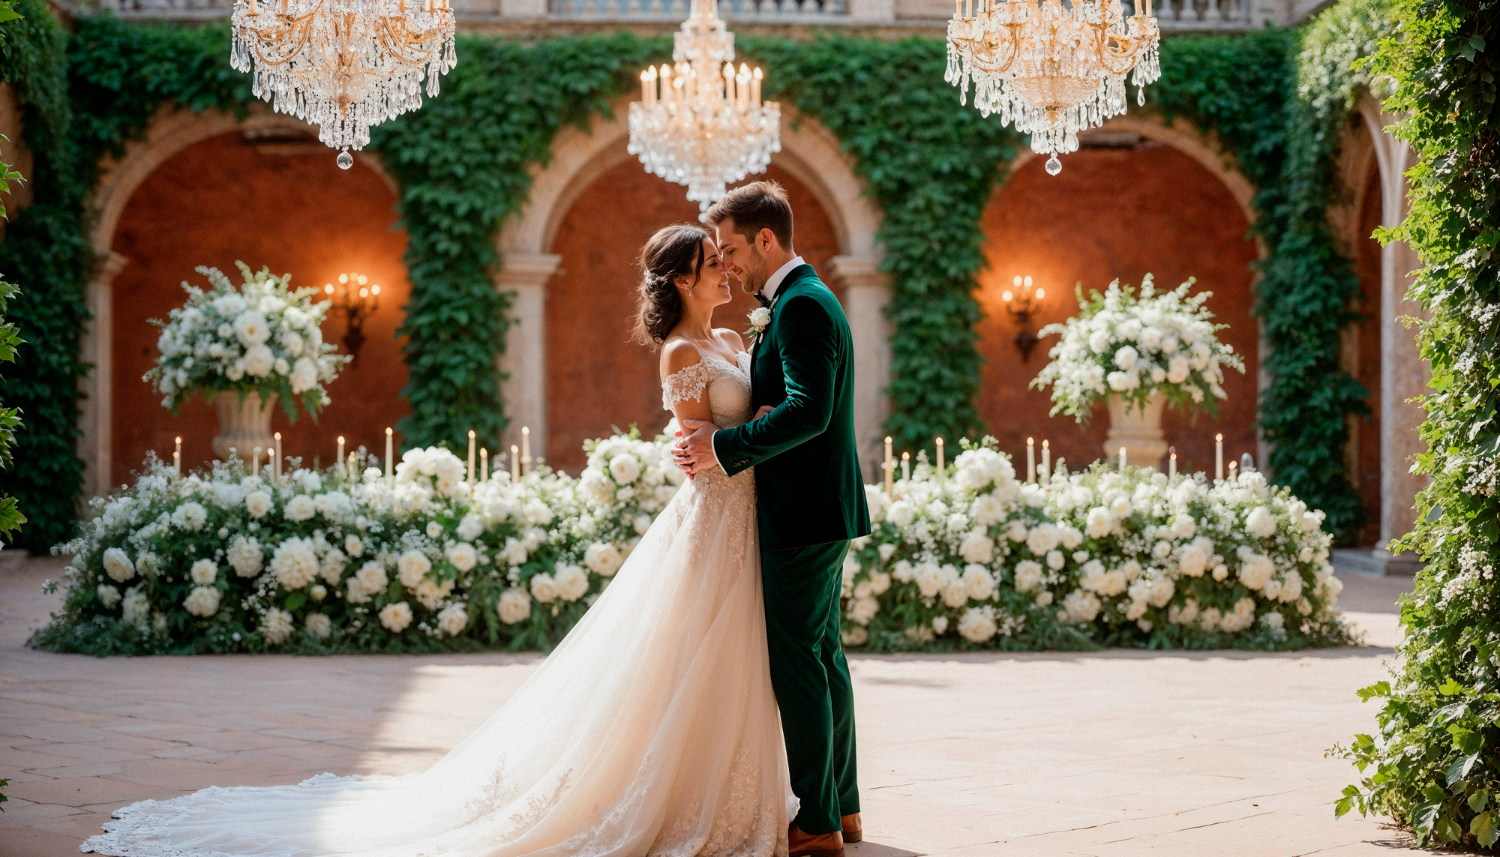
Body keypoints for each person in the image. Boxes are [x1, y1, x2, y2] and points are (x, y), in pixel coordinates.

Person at [83, 223, 796, 857]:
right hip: (711, 514)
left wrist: (756, 423)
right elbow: (697, 444)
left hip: (746, 510)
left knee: (733, 650)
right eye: (711, 261)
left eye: (722, 259)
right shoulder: (679, 352)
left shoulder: (735, 338)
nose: (725, 270)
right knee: (695, 651)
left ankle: (726, 788)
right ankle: (678, 797)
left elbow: (733, 426)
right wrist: (742, 432)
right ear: (680, 279)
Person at [675, 181, 871, 857]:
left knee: (800, 664)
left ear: (766, 239)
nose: (726, 263)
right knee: (823, 657)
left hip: (802, 508)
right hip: (818, 504)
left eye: (730, 248)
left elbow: (810, 411)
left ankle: (817, 820)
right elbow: (795, 403)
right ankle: (840, 808)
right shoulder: (798, 302)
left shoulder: (800, 307)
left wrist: (725, 445)